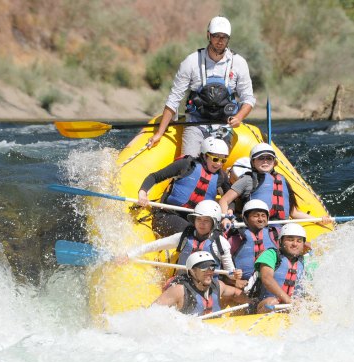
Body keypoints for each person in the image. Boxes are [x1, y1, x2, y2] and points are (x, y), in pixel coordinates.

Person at [147, 16, 256, 157]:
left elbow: (248, 98)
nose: (220, 41)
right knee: (189, 165)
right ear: (208, 35)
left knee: (216, 163)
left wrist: (239, 117)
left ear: (228, 39)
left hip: (224, 125)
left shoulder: (239, 63)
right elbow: (174, 98)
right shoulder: (191, 62)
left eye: (224, 37)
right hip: (195, 124)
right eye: (216, 36)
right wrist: (159, 133)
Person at [218, 143, 331, 229]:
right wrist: (225, 218)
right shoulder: (248, 179)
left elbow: (294, 213)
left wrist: (319, 220)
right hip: (256, 228)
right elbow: (224, 201)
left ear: (274, 163)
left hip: (281, 228)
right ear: (253, 162)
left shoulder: (282, 180)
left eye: (269, 158)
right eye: (261, 158)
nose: (265, 162)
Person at [137, 137, 230, 236]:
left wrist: (228, 213)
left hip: (196, 221)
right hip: (168, 215)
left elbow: (230, 196)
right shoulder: (186, 164)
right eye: (215, 159)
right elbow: (155, 177)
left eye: (223, 160)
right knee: (192, 232)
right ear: (204, 156)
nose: (219, 164)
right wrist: (142, 193)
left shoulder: (221, 177)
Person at [122, 200, 240, 279]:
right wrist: (129, 255)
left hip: (208, 285)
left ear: (214, 223)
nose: (201, 224)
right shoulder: (184, 237)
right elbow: (155, 245)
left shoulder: (221, 243)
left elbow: (230, 272)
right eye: (199, 220)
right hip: (183, 282)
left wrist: (235, 275)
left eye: (206, 221)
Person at [152, 251, 251, 317]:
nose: (209, 271)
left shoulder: (218, 285)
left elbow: (235, 293)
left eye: (211, 267)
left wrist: (253, 303)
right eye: (204, 268)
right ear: (192, 271)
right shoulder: (179, 290)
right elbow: (152, 313)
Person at [253, 223, 309, 314]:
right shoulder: (271, 254)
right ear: (280, 241)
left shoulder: (304, 262)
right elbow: (267, 279)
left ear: (303, 245)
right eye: (290, 240)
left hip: (291, 306)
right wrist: (288, 300)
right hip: (266, 304)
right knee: (272, 301)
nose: (295, 244)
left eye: (299, 241)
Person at [226, 199, 279, 289]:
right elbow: (222, 271)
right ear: (245, 219)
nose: (260, 219)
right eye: (256, 216)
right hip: (245, 287)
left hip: (271, 285)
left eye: (263, 216)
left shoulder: (275, 235)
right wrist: (234, 282)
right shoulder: (235, 240)